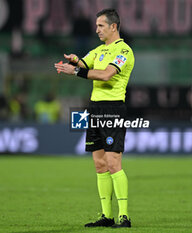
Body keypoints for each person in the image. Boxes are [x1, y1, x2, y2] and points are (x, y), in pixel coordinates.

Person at [54, 9, 134, 228]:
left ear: (113, 27)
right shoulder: (99, 50)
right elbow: (85, 64)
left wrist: (75, 72)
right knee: (99, 164)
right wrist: (75, 61)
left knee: (113, 162)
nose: (96, 29)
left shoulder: (123, 51)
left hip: (113, 109)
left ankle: (124, 217)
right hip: (95, 108)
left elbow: (107, 74)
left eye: (100, 25)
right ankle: (106, 216)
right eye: (97, 25)